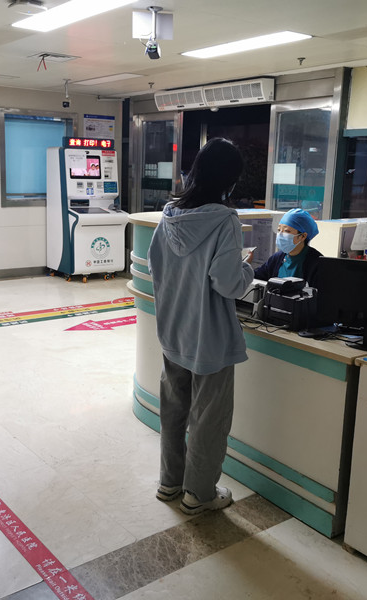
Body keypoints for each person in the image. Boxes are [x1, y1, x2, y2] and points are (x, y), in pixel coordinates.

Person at [147, 138, 254, 516]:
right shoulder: (224, 220)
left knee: (173, 411)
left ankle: (169, 482)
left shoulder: (169, 215)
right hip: (209, 338)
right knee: (209, 419)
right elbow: (228, 284)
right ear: (230, 179)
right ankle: (199, 494)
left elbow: (155, 266)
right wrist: (247, 269)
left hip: (173, 330)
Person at [253, 208, 322, 285]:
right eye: (279, 230)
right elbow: (256, 276)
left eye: (286, 231)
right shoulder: (276, 258)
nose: (280, 235)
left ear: (302, 236)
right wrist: (246, 267)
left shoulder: (317, 264)